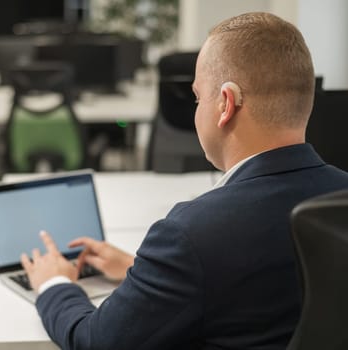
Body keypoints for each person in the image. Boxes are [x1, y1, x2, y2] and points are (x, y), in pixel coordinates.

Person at [20, 12, 348, 349]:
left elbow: (97, 342)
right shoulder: (339, 202)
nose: (195, 109)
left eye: (197, 96)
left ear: (225, 103)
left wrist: (55, 284)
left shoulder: (191, 233)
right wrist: (146, 272)